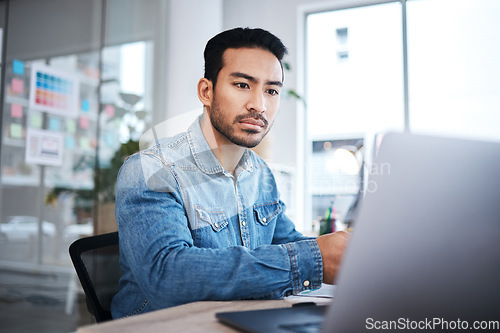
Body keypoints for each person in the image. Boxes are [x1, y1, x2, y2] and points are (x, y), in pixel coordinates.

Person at [111, 27, 350, 319]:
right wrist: (313, 259)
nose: (259, 105)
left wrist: (347, 249)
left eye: (271, 90)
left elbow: (287, 243)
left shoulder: (260, 173)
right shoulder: (150, 171)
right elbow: (168, 276)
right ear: (206, 91)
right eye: (242, 85)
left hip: (240, 320)